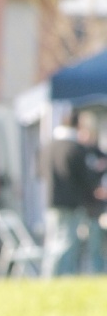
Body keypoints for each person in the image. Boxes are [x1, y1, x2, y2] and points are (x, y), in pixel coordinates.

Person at [40, 112, 92, 277]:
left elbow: (38, 172)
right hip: (70, 202)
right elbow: (85, 177)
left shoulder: (48, 146)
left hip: (50, 201)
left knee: (52, 241)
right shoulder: (75, 148)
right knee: (66, 241)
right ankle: (56, 275)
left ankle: (49, 274)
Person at [78, 111, 107, 274]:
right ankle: (93, 271)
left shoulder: (94, 151)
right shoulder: (80, 151)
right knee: (90, 241)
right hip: (86, 204)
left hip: (96, 205)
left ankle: (98, 270)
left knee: (96, 241)